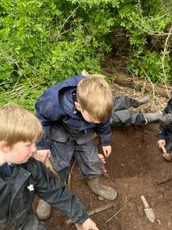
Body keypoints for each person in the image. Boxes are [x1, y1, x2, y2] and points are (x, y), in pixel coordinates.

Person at [0, 104, 101, 230]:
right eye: (28, 145)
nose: (35, 150)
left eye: (35, 144)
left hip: (23, 224)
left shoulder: (30, 166)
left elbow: (55, 191)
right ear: (5, 146)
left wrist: (82, 218)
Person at [33, 73, 118, 212]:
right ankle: (49, 194)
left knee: (92, 159)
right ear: (79, 106)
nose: (97, 122)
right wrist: (42, 145)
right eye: (94, 119)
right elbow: (40, 119)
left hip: (83, 129)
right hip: (60, 128)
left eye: (99, 119)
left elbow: (103, 124)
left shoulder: (102, 105)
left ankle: (95, 185)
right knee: (57, 163)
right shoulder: (54, 101)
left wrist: (105, 142)